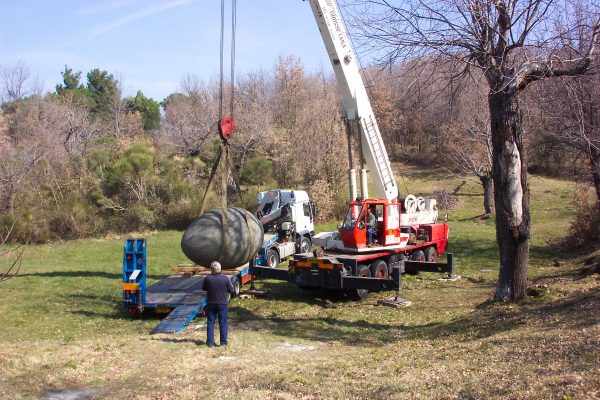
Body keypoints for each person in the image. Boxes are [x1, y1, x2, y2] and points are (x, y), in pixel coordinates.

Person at [201, 261, 234, 347]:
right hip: (222, 304)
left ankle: (210, 342)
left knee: (210, 322)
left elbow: (203, 288)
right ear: (220, 269)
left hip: (211, 303)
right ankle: (223, 342)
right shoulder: (225, 278)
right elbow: (231, 290)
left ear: (211, 270)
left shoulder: (208, 278)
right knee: (223, 323)